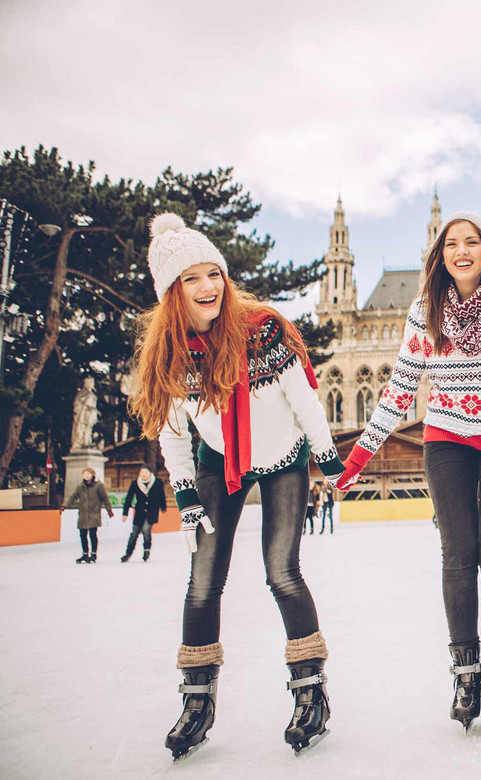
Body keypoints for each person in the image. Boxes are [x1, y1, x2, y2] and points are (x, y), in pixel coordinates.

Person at [128, 213, 344, 758]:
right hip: (218, 459)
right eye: (191, 279)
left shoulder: (263, 328)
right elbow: (173, 433)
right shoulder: (172, 354)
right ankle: (197, 700)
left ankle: (310, 691)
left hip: (282, 455)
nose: (208, 287)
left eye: (213, 274)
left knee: (282, 572)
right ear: (172, 293)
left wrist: (328, 458)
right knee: (203, 580)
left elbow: (304, 399)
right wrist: (186, 497)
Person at [337, 212, 481, 733]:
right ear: (439, 256)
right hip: (445, 442)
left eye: (471, 242)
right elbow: (399, 389)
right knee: (459, 555)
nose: (461, 251)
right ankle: (466, 673)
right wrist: (361, 454)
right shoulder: (425, 310)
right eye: (451, 244)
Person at [66, 467, 114, 563]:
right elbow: (74, 496)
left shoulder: (98, 485)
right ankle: (85, 554)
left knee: (92, 534)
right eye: (84, 474)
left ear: (92, 475)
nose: (86, 476)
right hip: (83, 513)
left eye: (88, 474)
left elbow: (105, 498)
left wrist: (109, 510)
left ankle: (93, 553)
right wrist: (65, 506)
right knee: (83, 534)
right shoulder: (80, 486)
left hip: (94, 513)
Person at [121, 465, 166, 562]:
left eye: (145, 472)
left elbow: (162, 495)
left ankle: (146, 550)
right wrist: (125, 513)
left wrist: (163, 507)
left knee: (146, 530)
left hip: (152, 511)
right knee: (134, 533)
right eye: (141, 472)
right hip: (139, 512)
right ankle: (128, 553)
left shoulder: (157, 482)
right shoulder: (135, 483)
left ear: (150, 473)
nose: (143, 474)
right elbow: (129, 498)